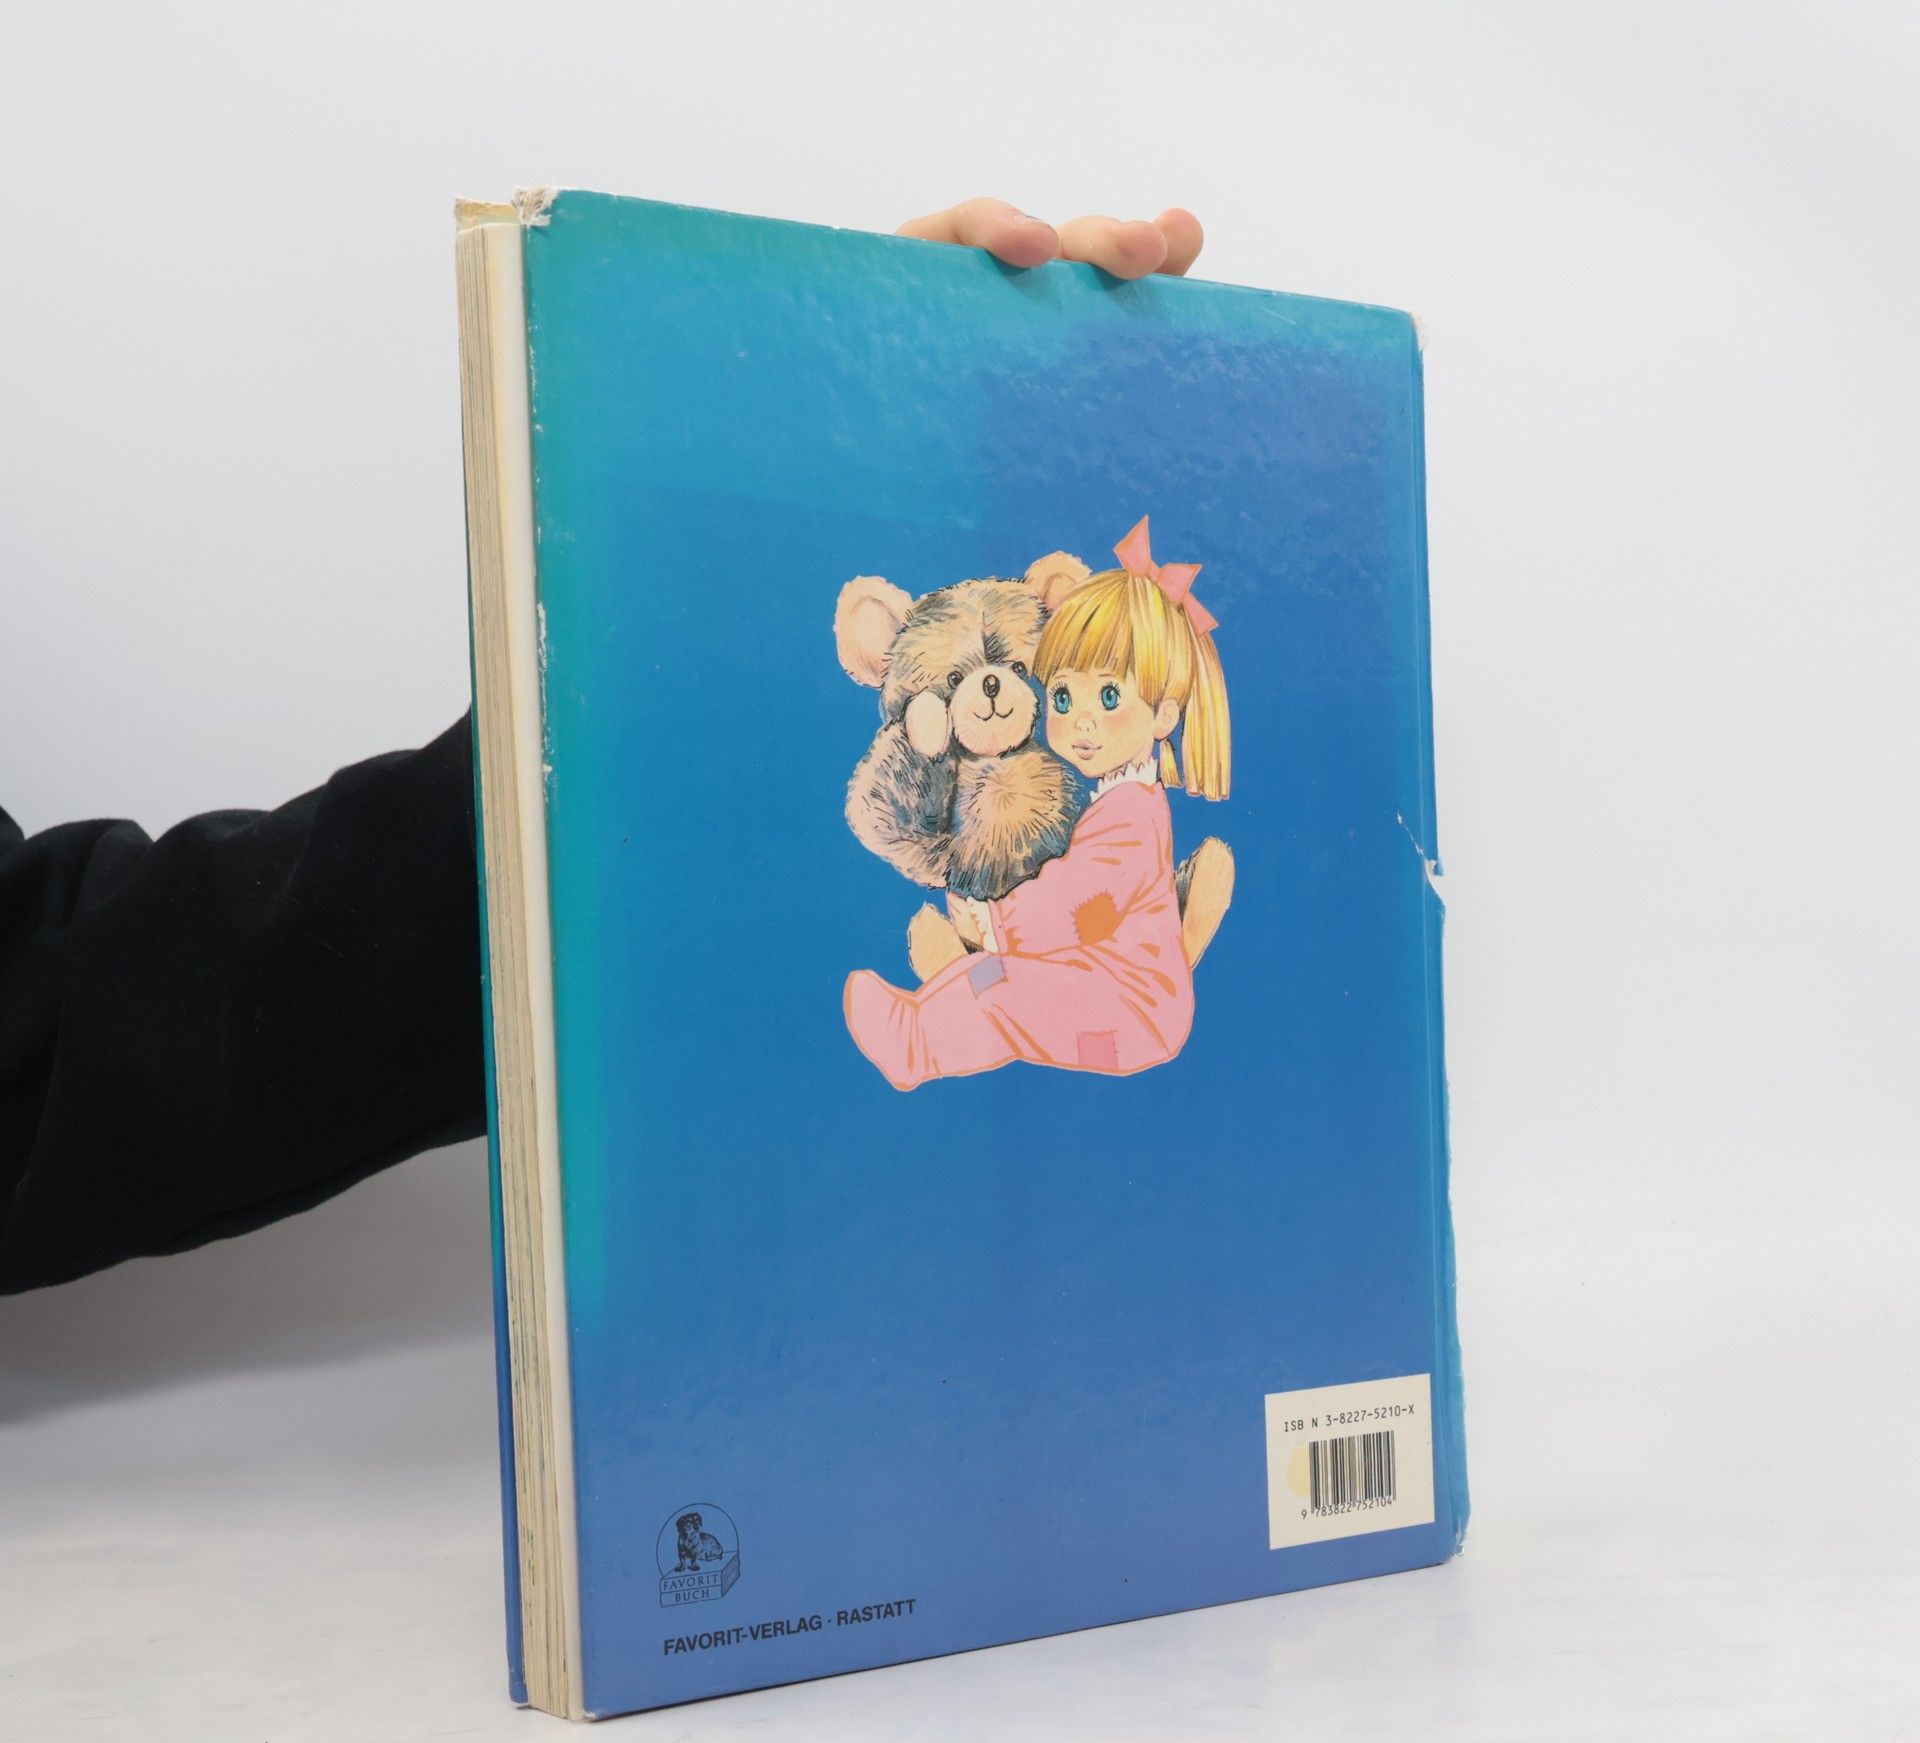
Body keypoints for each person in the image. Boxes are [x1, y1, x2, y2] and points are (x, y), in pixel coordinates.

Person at [0, 201, 1206, 1295]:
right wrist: (641, 739)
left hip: (1089, 1019)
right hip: (1048, 1003)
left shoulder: (1117, 807)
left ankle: (956, 1011)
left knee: (1018, 1019)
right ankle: (941, 1015)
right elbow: (71, 1038)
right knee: (1000, 1007)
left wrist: (855, 450)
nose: (1038, 701)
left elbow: (67, 1018)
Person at [843, 516, 1232, 1090]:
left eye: (1108, 696)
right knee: (992, 979)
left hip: (1129, 1011)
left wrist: (995, 921)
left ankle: (917, 1046)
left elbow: (1079, 900)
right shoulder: (1122, 799)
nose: (1081, 721)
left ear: (1164, 715)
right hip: (1104, 984)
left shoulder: (1133, 816)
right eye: (1065, 696)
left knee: (1001, 991)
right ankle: (926, 1016)